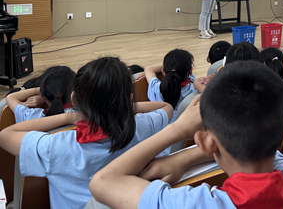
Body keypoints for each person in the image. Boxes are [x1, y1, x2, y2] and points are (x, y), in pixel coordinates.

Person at [89, 61, 283, 209]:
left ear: (207, 143)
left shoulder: (194, 204)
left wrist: (177, 129)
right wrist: (184, 158)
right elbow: (259, 143)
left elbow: (102, 182)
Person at [0, 57, 173, 209]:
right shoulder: (143, 126)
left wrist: (67, 117)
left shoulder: (57, 146)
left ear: (74, 101)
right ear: (129, 98)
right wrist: (121, 107)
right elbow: (166, 107)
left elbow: (5, 135)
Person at [6, 66, 75, 123]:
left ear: (42, 96)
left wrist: (45, 90)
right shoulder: (79, 115)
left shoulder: (30, 116)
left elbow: (11, 97)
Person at [145, 49, 196, 124]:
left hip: (160, 129)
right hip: (186, 129)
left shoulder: (157, 88)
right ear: (190, 71)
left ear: (163, 71)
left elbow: (148, 69)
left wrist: (170, 68)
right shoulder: (195, 89)